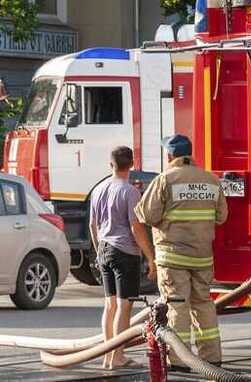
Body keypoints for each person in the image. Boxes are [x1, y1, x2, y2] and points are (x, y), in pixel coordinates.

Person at [135, 135, 228, 370]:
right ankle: (211, 358)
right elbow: (222, 216)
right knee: (204, 304)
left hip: (172, 257)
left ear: (169, 156)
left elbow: (147, 215)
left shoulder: (165, 180)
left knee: (177, 305)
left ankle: (178, 360)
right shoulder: (211, 180)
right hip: (202, 256)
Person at [89, 146, 156, 369]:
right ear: (133, 164)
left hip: (105, 249)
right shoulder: (130, 192)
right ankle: (117, 356)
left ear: (111, 164)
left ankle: (107, 356)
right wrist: (150, 256)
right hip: (125, 252)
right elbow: (136, 228)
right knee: (124, 305)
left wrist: (99, 250)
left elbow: (92, 225)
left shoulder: (98, 189)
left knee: (110, 305)